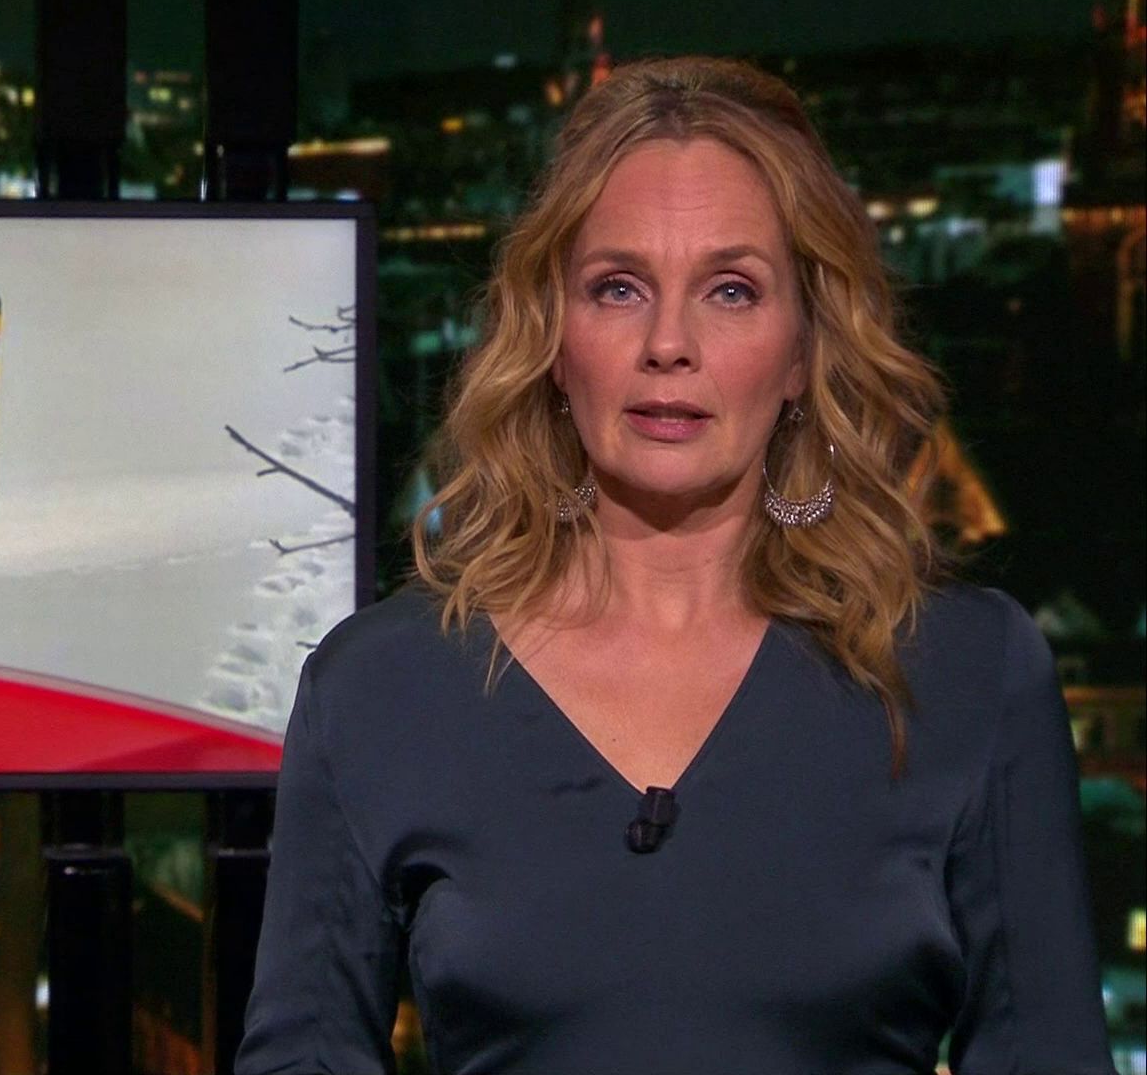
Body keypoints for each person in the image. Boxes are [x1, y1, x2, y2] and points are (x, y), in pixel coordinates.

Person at [233, 56, 1118, 1073]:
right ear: (553, 338)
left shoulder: (968, 672)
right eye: (618, 288)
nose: (668, 343)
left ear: (802, 352)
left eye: (731, 291)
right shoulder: (380, 689)